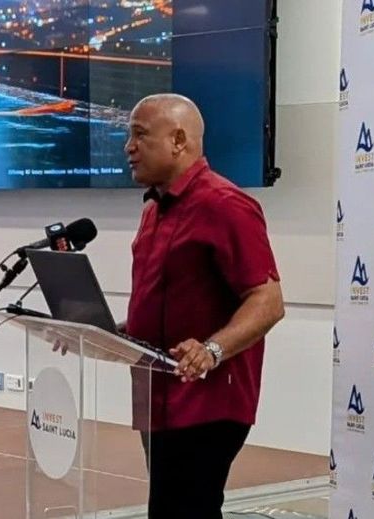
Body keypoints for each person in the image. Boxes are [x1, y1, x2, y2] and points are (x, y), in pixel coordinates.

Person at [122, 93, 285, 518]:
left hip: (206, 401)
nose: (128, 147)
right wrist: (111, 329)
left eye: (140, 135)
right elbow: (167, 300)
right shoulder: (154, 210)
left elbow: (268, 300)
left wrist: (211, 350)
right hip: (157, 395)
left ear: (178, 140)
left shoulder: (225, 205)